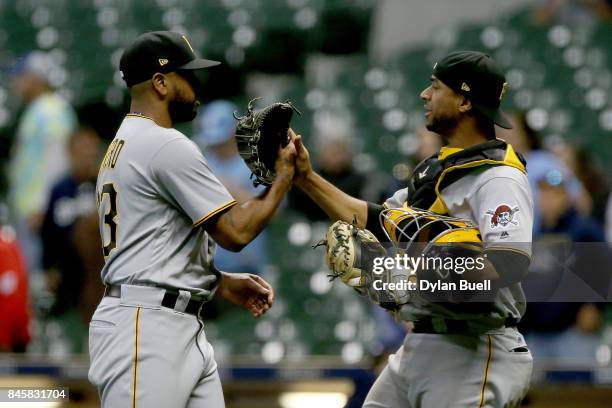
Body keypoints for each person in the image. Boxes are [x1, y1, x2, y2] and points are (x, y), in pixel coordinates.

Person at [292, 51, 533, 407]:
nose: (425, 94)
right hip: (421, 341)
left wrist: (414, 277)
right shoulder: (436, 171)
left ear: (465, 100)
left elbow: (510, 263)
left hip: (473, 346)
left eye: (436, 86)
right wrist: (307, 178)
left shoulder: (499, 177)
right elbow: (379, 219)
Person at [88, 31, 296, 407]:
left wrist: (216, 281)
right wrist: (284, 177)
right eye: (189, 75)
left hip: (170, 319)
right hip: (146, 328)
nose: (198, 84)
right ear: (161, 82)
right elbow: (236, 232)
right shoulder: (163, 144)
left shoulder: (125, 143)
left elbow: (154, 242)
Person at [8, 51, 77, 273]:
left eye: (22, 76)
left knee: (40, 279)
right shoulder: (39, 109)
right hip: (32, 211)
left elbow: (56, 159)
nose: (16, 82)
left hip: (39, 212)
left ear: (36, 79)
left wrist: (43, 205)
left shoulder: (50, 109)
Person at [40, 126, 104, 353]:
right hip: (67, 276)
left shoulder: (106, 186)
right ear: (70, 153)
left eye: (91, 150)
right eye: (82, 150)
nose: (87, 155)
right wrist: (48, 268)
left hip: (100, 276)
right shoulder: (59, 189)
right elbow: (47, 233)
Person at [194, 100, 268, 275]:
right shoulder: (201, 161)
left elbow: (271, 210)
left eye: (222, 141)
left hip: (246, 263)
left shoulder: (256, 161)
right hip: (207, 264)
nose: (217, 146)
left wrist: (230, 189)